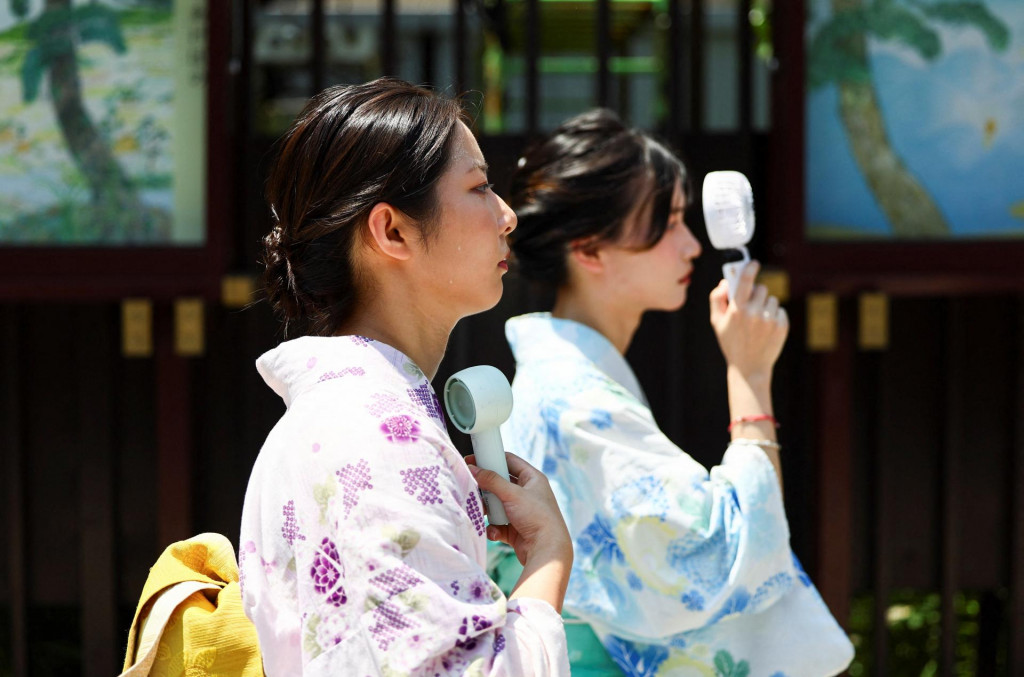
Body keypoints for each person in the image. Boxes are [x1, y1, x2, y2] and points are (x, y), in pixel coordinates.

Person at [490, 108, 855, 676]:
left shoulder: (566, 382)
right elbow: (725, 550)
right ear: (589, 251)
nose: (691, 246)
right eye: (669, 224)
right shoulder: (577, 403)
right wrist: (750, 375)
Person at [239, 78, 573, 676]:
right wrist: (549, 557)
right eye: (478, 187)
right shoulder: (380, 438)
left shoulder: (334, 421)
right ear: (392, 231)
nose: (507, 215)